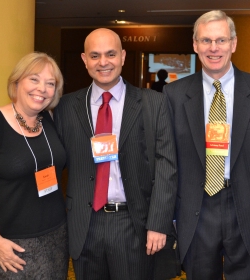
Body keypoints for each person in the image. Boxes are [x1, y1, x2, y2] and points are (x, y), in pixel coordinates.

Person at [164, 10, 250, 279]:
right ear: (195, 45)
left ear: (233, 44)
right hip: (197, 208)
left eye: (221, 40)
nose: (213, 48)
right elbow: (168, 161)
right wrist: (169, 218)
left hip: (248, 209)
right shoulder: (174, 95)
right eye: (206, 41)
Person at [53, 28, 177, 279]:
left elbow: (167, 166)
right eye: (95, 55)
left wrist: (158, 223)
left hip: (134, 224)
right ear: (84, 59)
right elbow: (51, 159)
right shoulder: (66, 107)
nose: (103, 62)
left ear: (122, 56)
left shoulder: (154, 103)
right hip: (84, 225)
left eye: (110, 54)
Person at [0, 52, 68, 279]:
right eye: (34, 79)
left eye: (50, 84)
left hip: (56, 235)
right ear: (17, 81)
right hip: (10, 243)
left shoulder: (49, 119)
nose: (42, 89)